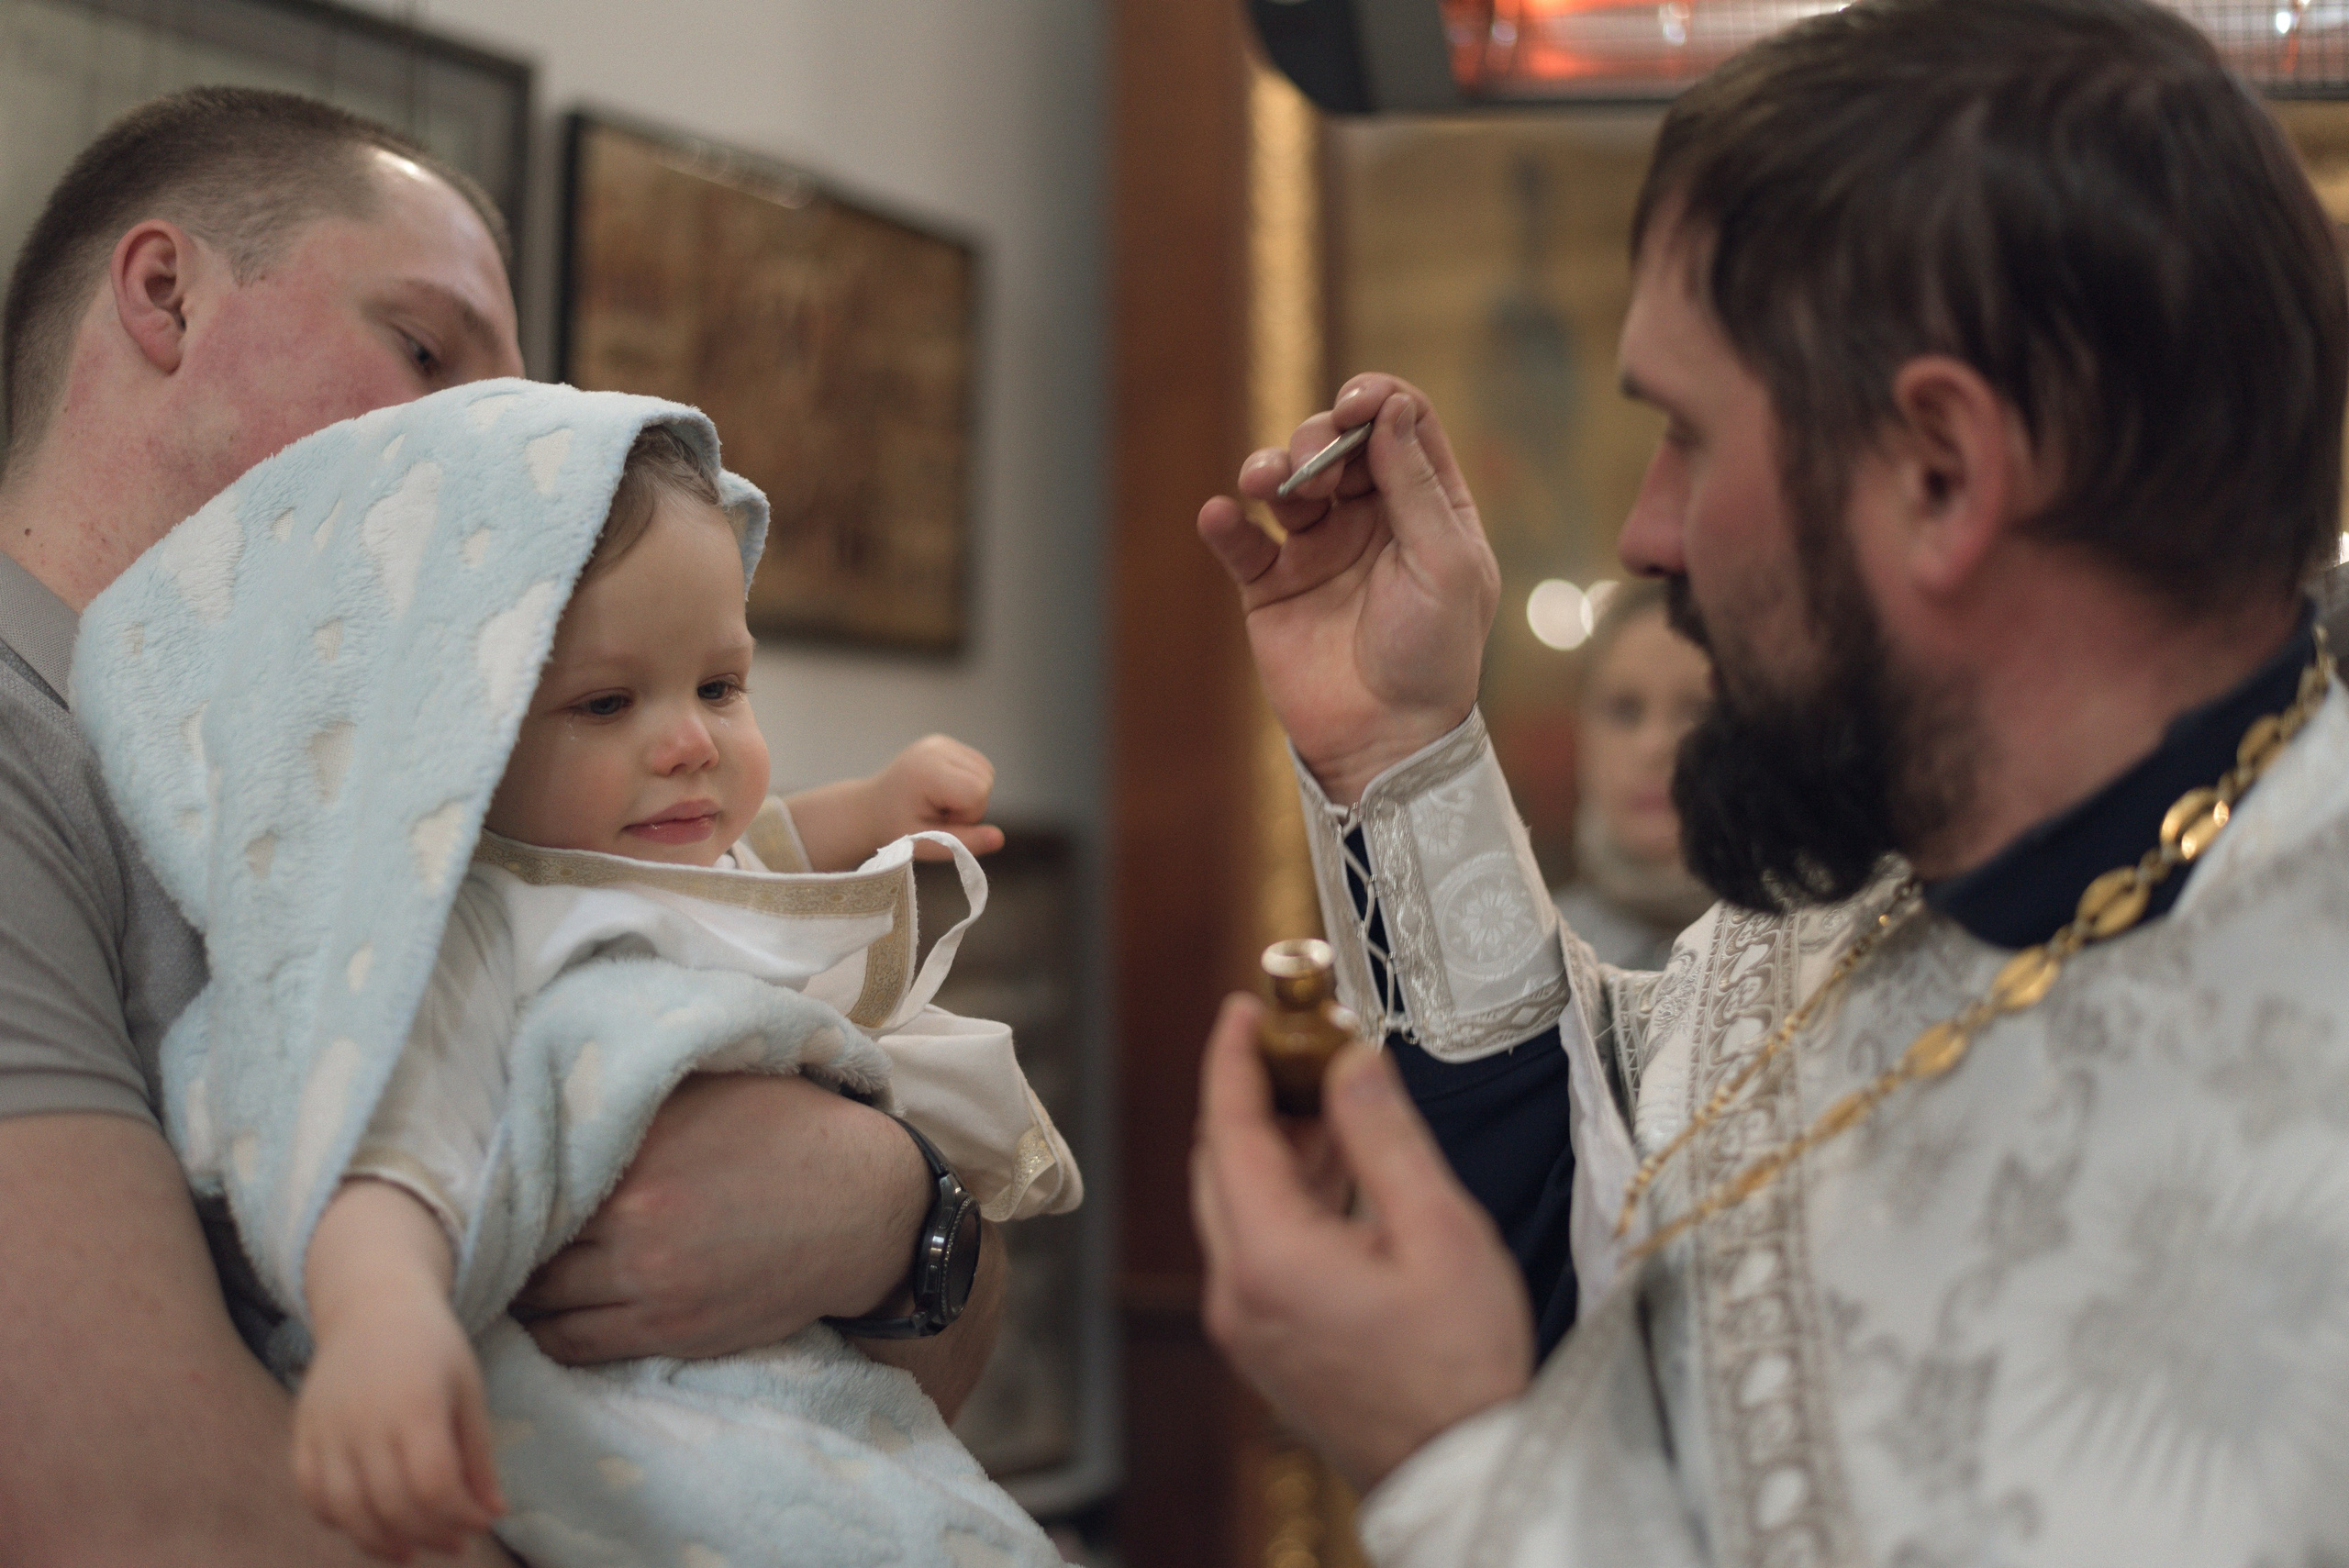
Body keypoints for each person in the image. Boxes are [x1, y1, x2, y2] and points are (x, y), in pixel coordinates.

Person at [1189, 0, 2349, 1562]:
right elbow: (1615, 1221)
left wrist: (1457, 1471)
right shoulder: (1875, 873)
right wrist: (1402, 748)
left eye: (1687, 433)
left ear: (1941, 473)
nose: (1643, 534)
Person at [0, 88, 1000, 1565]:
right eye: (427, 351)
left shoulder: (475, 771)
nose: (491, 455)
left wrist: (889, 1210)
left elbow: (934, 1372)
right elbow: (137, 1504)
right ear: (166, 296)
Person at [71, 393, 1075, 1566]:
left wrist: (876, 805)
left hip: (814, 1369)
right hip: (643, 1407)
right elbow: (375, 1130)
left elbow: (758, 859)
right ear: (462, 732)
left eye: (720, 685)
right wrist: (380, 1319)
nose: (691, 741)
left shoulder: (659, 851)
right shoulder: (472, 920)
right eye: (606, 701)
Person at [1549, 578, 1713, 971]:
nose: (1653, 745)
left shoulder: (1824, 956)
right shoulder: (1527, 959)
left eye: (1697, 711)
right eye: (1625, 710)